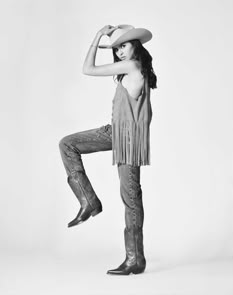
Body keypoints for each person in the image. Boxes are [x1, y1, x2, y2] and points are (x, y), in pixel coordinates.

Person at [59, 24, 157, 275]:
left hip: (125, 138)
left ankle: (134, 258)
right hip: (120, 135)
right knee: (69, 144)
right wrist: (113, 36)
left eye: (124, 45)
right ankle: (89, 200)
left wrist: (97, 37)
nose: (120, 52)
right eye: (116, 48)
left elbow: (87, 69)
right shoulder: (135, 69)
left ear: (135, 45)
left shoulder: (133, 66)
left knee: (131, 198)